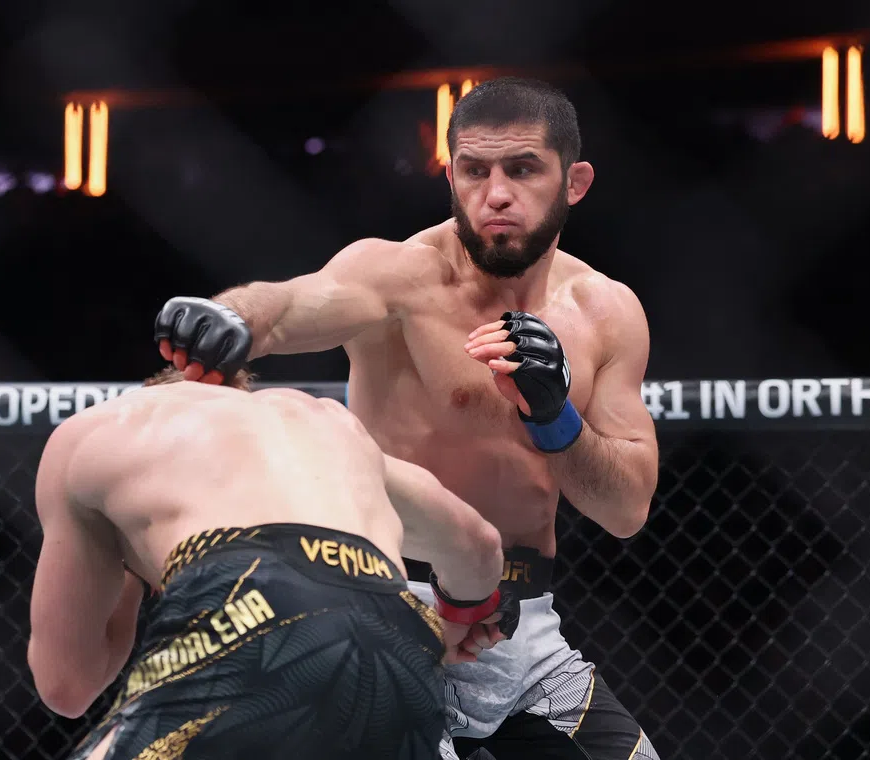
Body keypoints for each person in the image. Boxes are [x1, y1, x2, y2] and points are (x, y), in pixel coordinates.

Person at [153, 77, 661, 759]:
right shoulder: (398, 277)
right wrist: (231, 318)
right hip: (389, 613)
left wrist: (553, 415)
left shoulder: (606, 312)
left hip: (526, 634)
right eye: (474, 171)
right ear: (450, 177)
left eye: (522, 170)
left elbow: (626, 509)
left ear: (574, 182)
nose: (496, 194)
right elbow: (293, 304)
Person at [27, 365, 520, 760]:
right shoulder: (327, 424)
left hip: (247, 600)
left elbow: (67, 687)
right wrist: (457, 616)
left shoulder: (101, 430)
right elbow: (478, 544)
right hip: (396, 634)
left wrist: (128, 567)